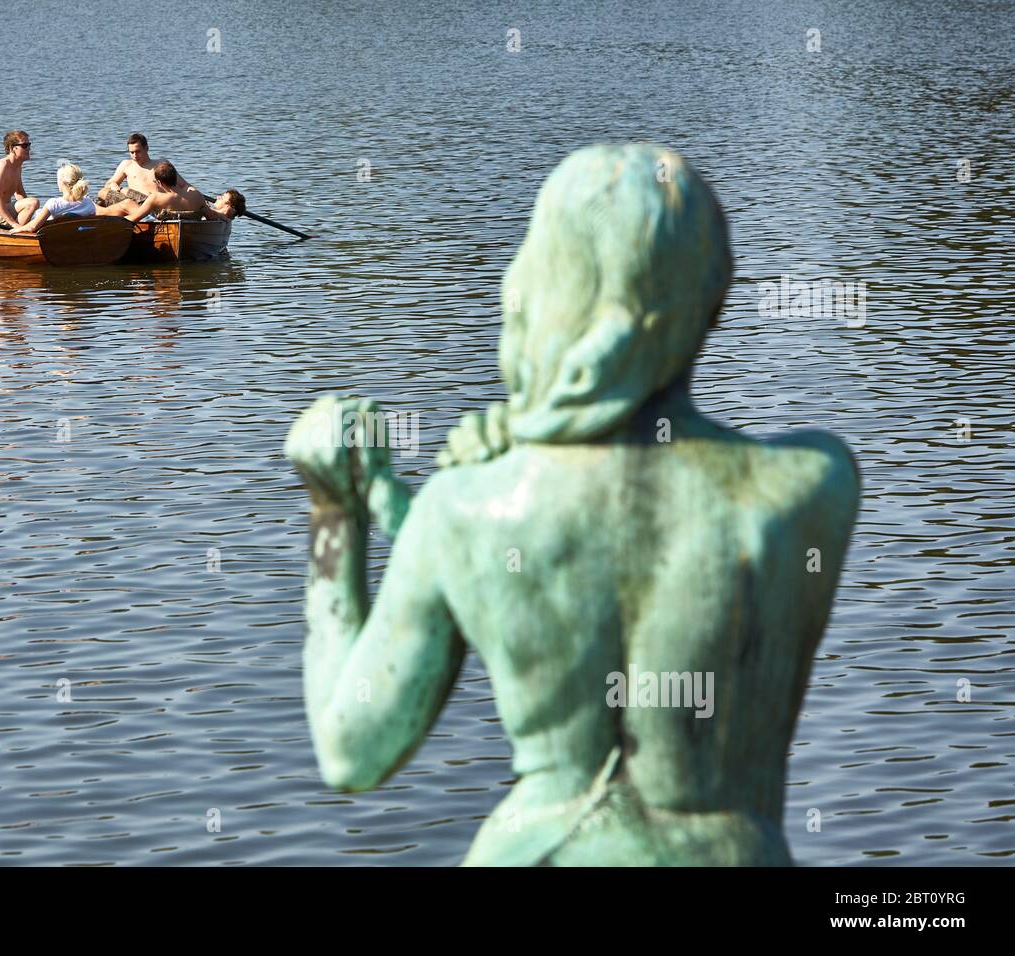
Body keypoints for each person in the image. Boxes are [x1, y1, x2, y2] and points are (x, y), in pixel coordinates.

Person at [283, 144, 860, 867]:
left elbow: (351, 754)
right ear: (712, 295)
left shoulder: (466, 510)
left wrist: (336, 512)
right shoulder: (810, 485)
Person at [97, 132, 200, 207]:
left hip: (157, 204)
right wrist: (113, 185)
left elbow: (184, 185)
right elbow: (110, 183)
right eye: (131, 152)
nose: (135, 155)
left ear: (146, 148)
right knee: (104, 193)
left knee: (126, 190)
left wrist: (195, 195)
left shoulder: (161, 164)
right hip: (135, 205)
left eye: (138, 151)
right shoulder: (126, 165)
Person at [96, 161, 203, 223]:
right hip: (188, 224)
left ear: (159, 183)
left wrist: (113, 221)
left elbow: (133, 219)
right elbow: (212, 216)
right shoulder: (197, 196)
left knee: (114, 196)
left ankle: (94, 209)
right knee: (125, 191)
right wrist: (220, 209)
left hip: (152, 218)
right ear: (176, 177)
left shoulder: (156, 198)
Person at [0, 129, 40, 228]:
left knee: (33, 205)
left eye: (29, 144)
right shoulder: (2, 166)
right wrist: (13, 223)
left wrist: (32, 215)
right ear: (12, 148)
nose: (29, 149)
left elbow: (20, 194)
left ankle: (21, 230)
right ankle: (17, 232)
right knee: (33, 202)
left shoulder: (17, 166)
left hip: (1, 212)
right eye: (24, 145)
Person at [11, 163, 96, 233]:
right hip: (73, 233)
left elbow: (33, 227)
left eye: (57, 179)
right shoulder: (89, 202)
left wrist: (18, 229)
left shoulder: (55, 204)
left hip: (52, 234)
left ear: (63, 182)